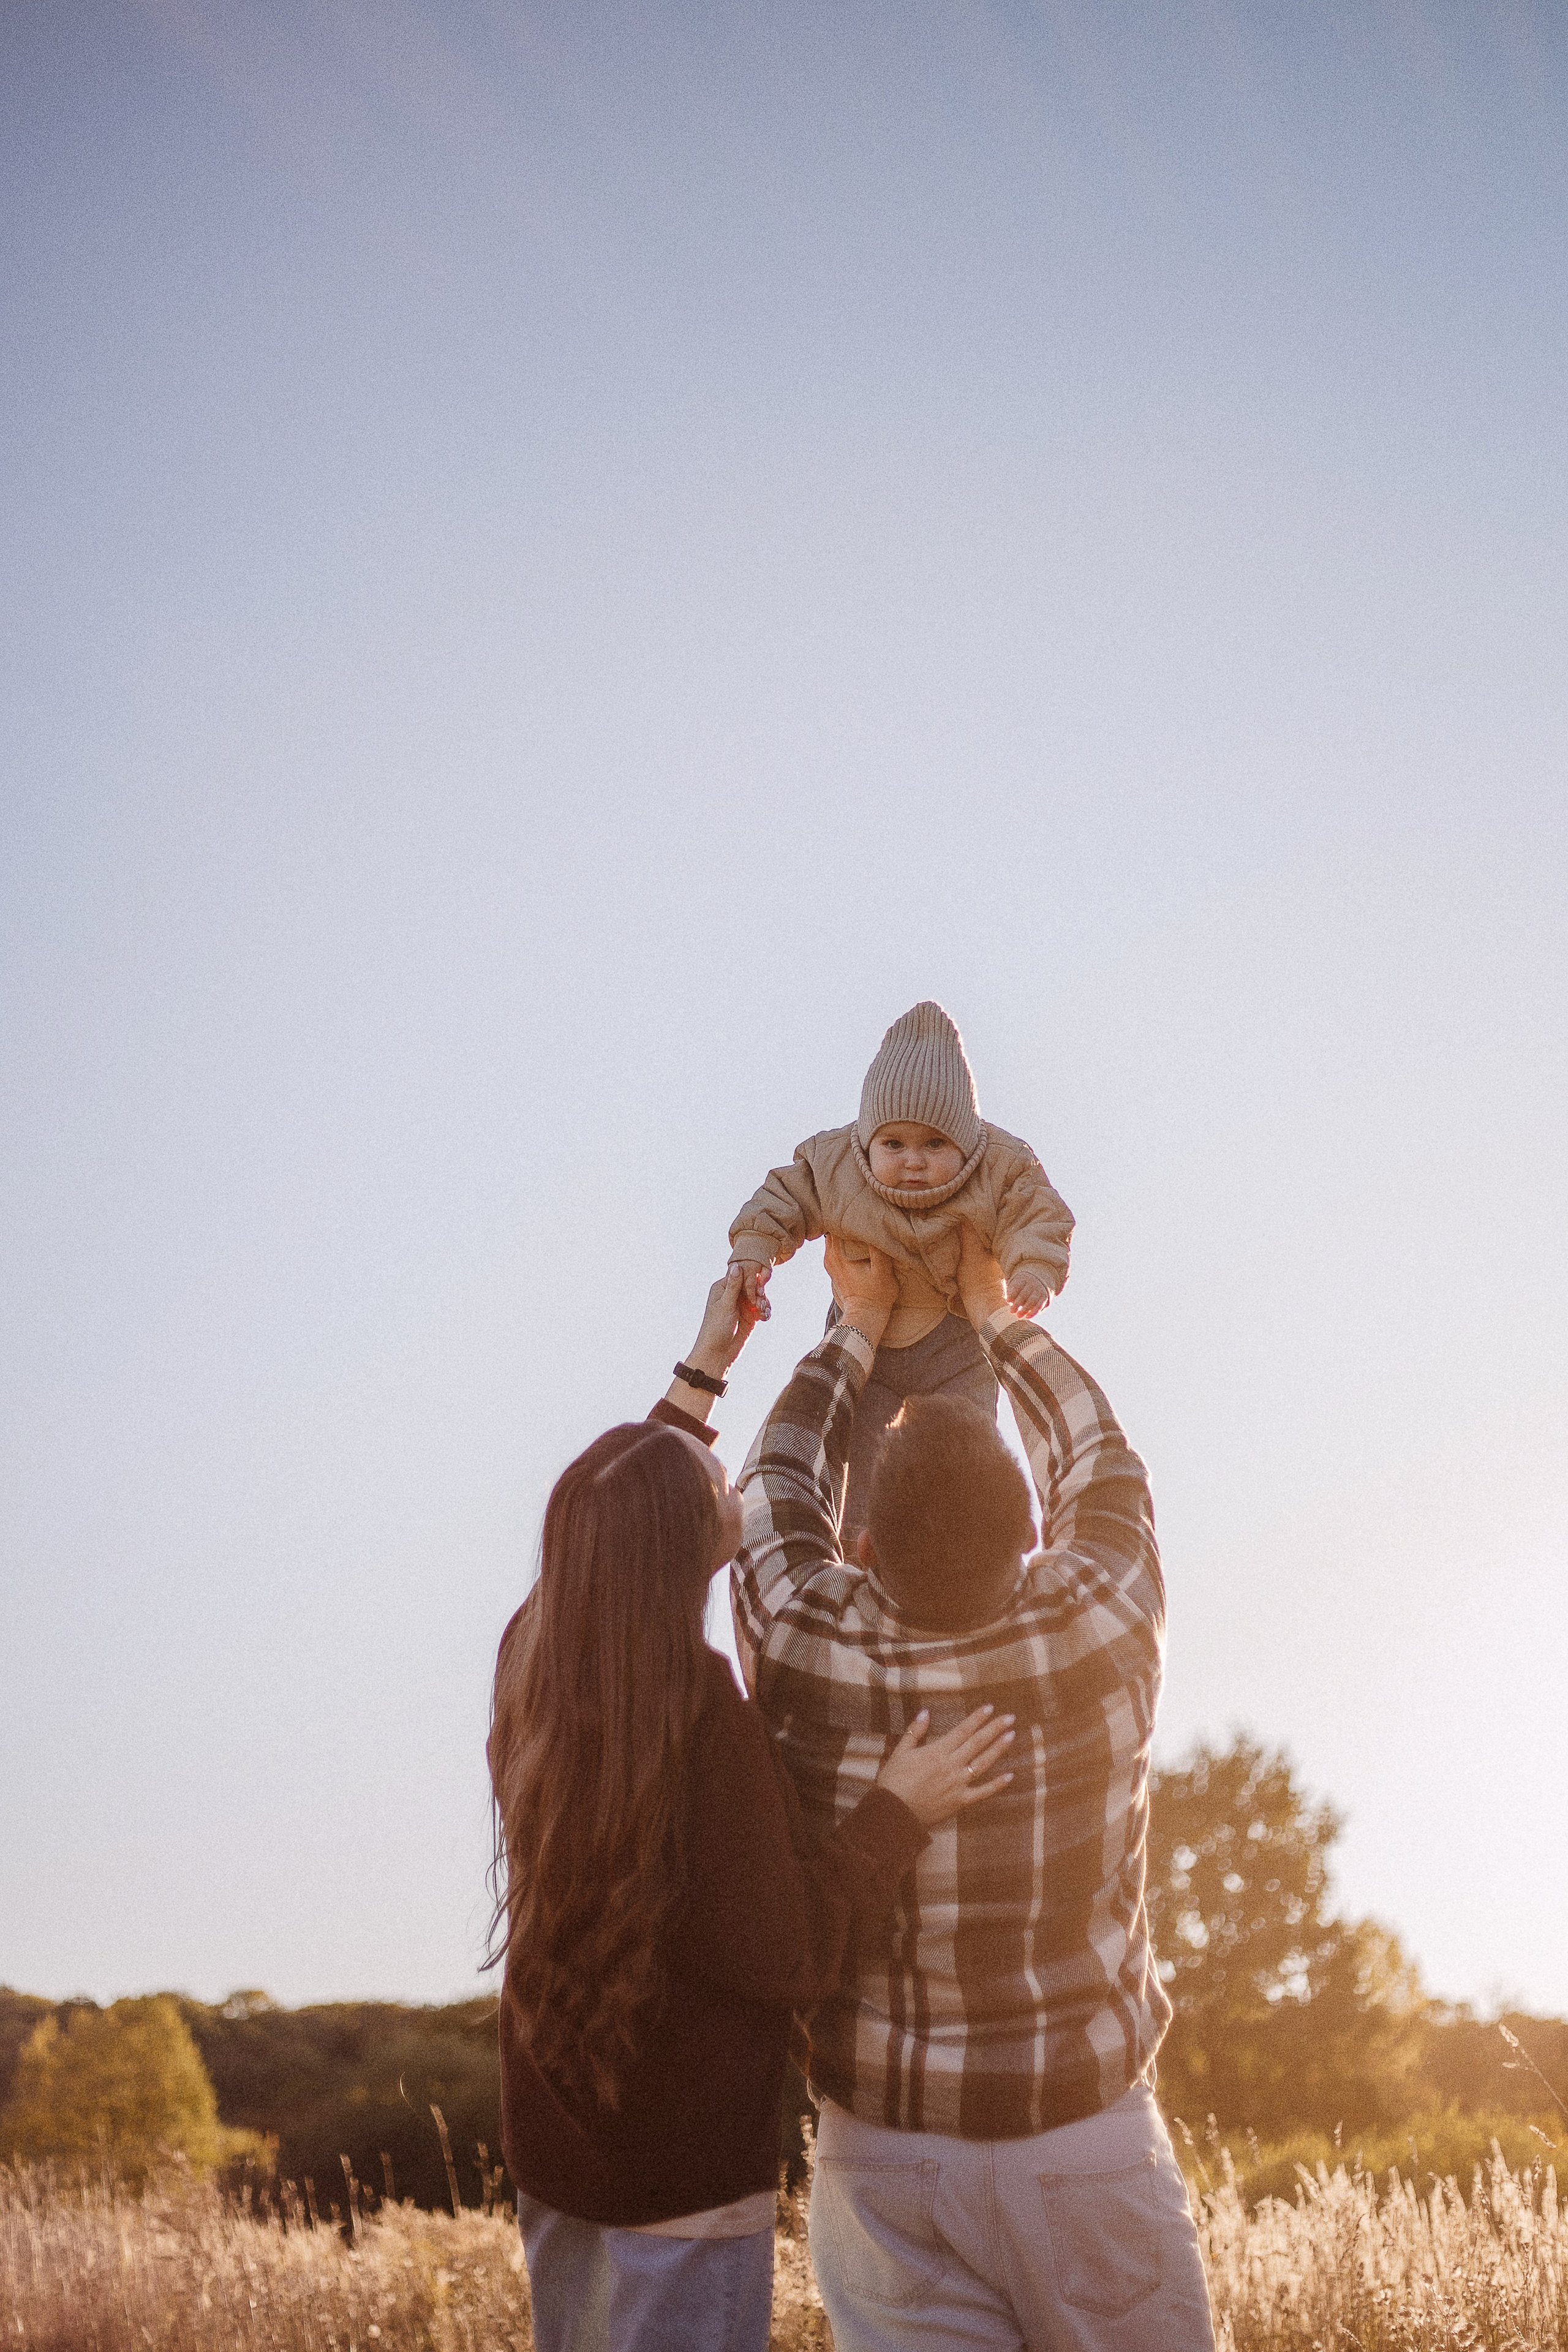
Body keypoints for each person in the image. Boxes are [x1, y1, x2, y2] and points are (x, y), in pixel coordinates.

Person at [487, 1267, 1017, 2352]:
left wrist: (705, 1368)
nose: (730, 1480)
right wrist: (895, 1815)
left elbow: (608, 1516)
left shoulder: (533, 1664)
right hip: (680, 2177)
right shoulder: (703, 1721)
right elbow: (787, 1954)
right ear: (688, 1547)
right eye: (715, 1485)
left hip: (557, 2153)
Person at [730, 1229, 1216, 2351]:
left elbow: (773, 1491)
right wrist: (1000, 1319)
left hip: (887, 2160)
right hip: (1083, 2139)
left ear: (862, 1545)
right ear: (1032, 1530)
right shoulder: (1100, 1621)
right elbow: (1105, 1466)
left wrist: (849, 1334)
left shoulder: (807, 1642)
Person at [726, 999, 1074, 1537]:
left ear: (967, 1140)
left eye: (936, 1144)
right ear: (868, 1139)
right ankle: (861, 1546)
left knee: (963, 1446)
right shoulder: (837, 1163)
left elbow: (1035, 1214)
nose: (913, 1160)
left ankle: (968, 1540)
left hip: (957, 1342)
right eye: (894, 1144)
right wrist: (755, 1249)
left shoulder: (1001, 1165)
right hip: (867, 1341)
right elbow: (784, 1196)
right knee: (855, 1449)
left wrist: (1033, 1269)